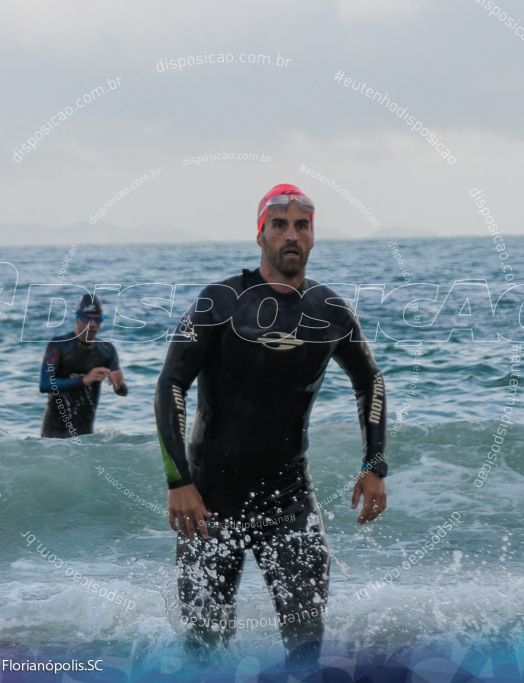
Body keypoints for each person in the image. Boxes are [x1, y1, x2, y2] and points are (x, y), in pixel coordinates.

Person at [154, 183, 388, 668]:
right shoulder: (219, 302)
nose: (291, 235)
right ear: (260, 234)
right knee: (204, 645)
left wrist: (374, 464)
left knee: (306, 639)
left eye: (302, 225)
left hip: (288, 497)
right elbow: (170, 384)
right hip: (210, 499)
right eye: (279, 224)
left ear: (313, 236)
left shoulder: (330, 311)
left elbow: (370, 382)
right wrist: (179, 480)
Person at [39, 294, 127, 438]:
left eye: (97, 319)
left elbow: (123, 392)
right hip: (53, 436)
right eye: (87, 319)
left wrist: (119, 384)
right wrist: (84, 380)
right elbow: (45, 384)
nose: (92, 324)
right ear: (77, 318)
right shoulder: (59, 345)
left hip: (85, 437)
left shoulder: (107, 350)